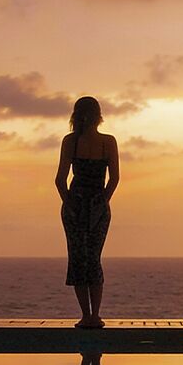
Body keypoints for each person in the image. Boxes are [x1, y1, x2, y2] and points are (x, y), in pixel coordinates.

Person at [55, 96, 119, 329]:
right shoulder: (102, 142)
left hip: (81, 204)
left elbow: (60, 181)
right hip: (92, 205)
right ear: (98, 115)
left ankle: (90, 315)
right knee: (88, 259)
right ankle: (92, 315)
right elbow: (114, 180)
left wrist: (73, 204)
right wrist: (100, 202)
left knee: (83, 259)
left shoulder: (75, 141)